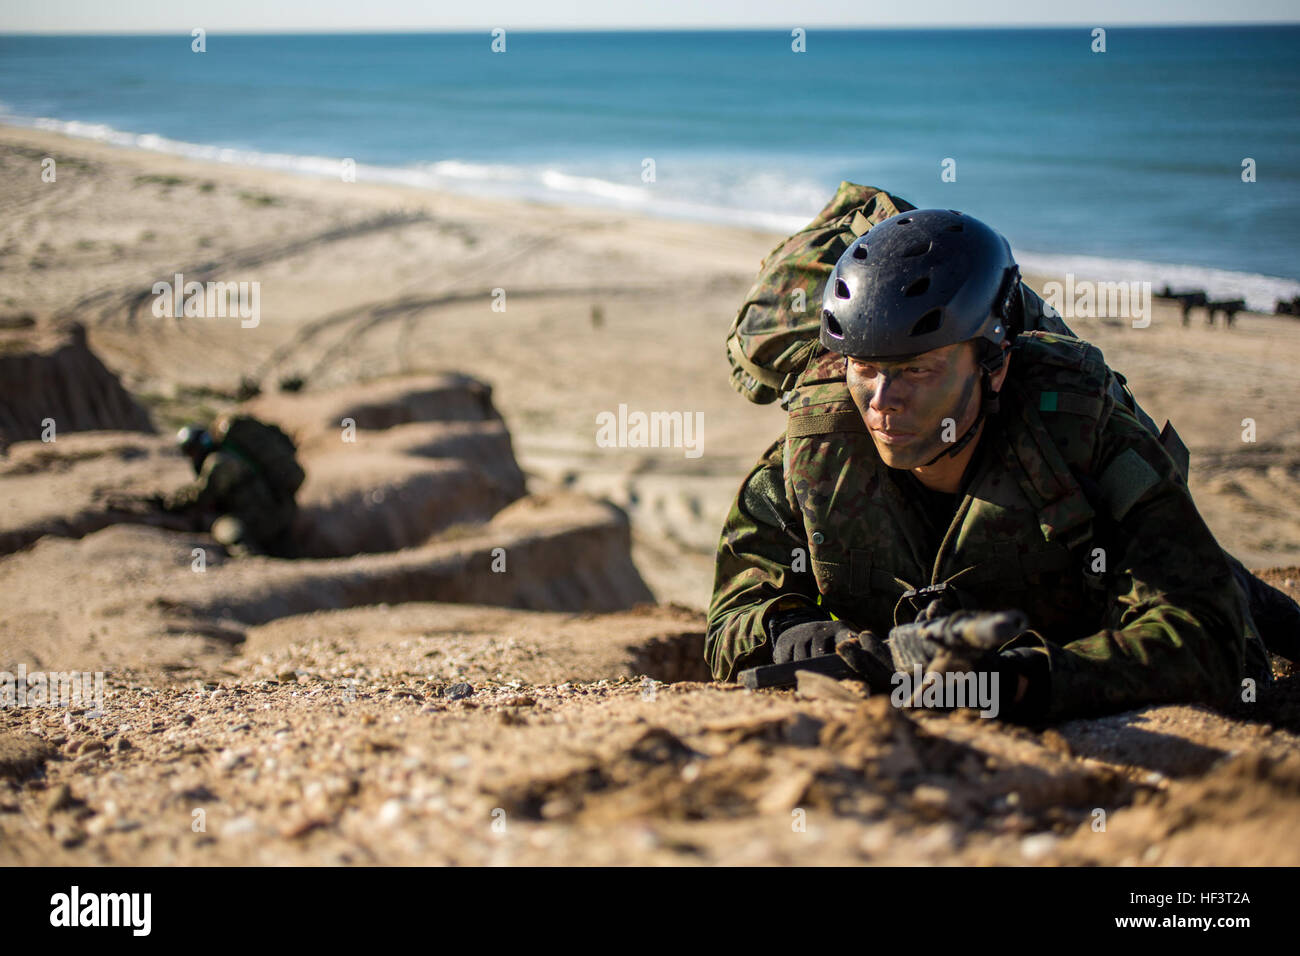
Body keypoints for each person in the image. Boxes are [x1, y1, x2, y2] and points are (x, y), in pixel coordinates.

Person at [706, 208, 1286, 722]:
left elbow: (1208, 636)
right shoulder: (818, 447)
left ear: (994, 366)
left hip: (1100, 612)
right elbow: (736, 607)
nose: (882, 401)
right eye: (864, 367)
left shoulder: (1083, 439)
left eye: (918, 372)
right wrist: (787, 631)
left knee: (1246, 599)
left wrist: (1024, 681)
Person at [160, 415, 301, 557]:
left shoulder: (218, 462)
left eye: (191, 451)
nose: (192, 457)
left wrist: (171, 502)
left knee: (222, 525)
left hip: (260, 517)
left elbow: (204, 494)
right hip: (273, 512)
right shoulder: (229, 454)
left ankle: (248, 555)